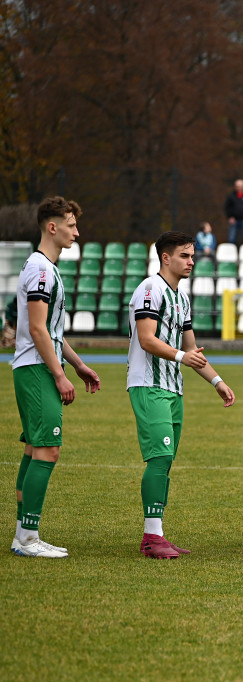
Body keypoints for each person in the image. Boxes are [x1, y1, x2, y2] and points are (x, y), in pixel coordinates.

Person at [127, 231, 235, 559]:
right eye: (185, 256)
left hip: (174, 388)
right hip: (149, 384)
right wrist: (180, 357)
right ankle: (151, 538)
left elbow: (191, 350)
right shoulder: (150, 288)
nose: (191, 261)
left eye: (192, 256)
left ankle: (157, 533)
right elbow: (147, 339)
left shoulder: (182, 298)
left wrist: (216, 381)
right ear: (165, 258)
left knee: (167, 460)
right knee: (159, 458)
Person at [11, 196, 101, 558]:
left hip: (35, 366)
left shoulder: (44, 267)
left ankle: (23, 535)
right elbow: (36, 330)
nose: (76, 232)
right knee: (47, 449)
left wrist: (77, 365)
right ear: (52, 227)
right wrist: (59, 376)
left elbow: (50, 331)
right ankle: (29, 539)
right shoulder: (42, 270)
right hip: (36, 369)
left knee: (36, 449)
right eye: (71, 225)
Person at [224, 178, 243, 245]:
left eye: (240, 186)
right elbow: (227, 207)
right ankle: (230, 254)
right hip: (234, 221)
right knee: (231, 239)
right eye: (237, 186)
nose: (239, 187)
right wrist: (230, 217)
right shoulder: (231, 196)